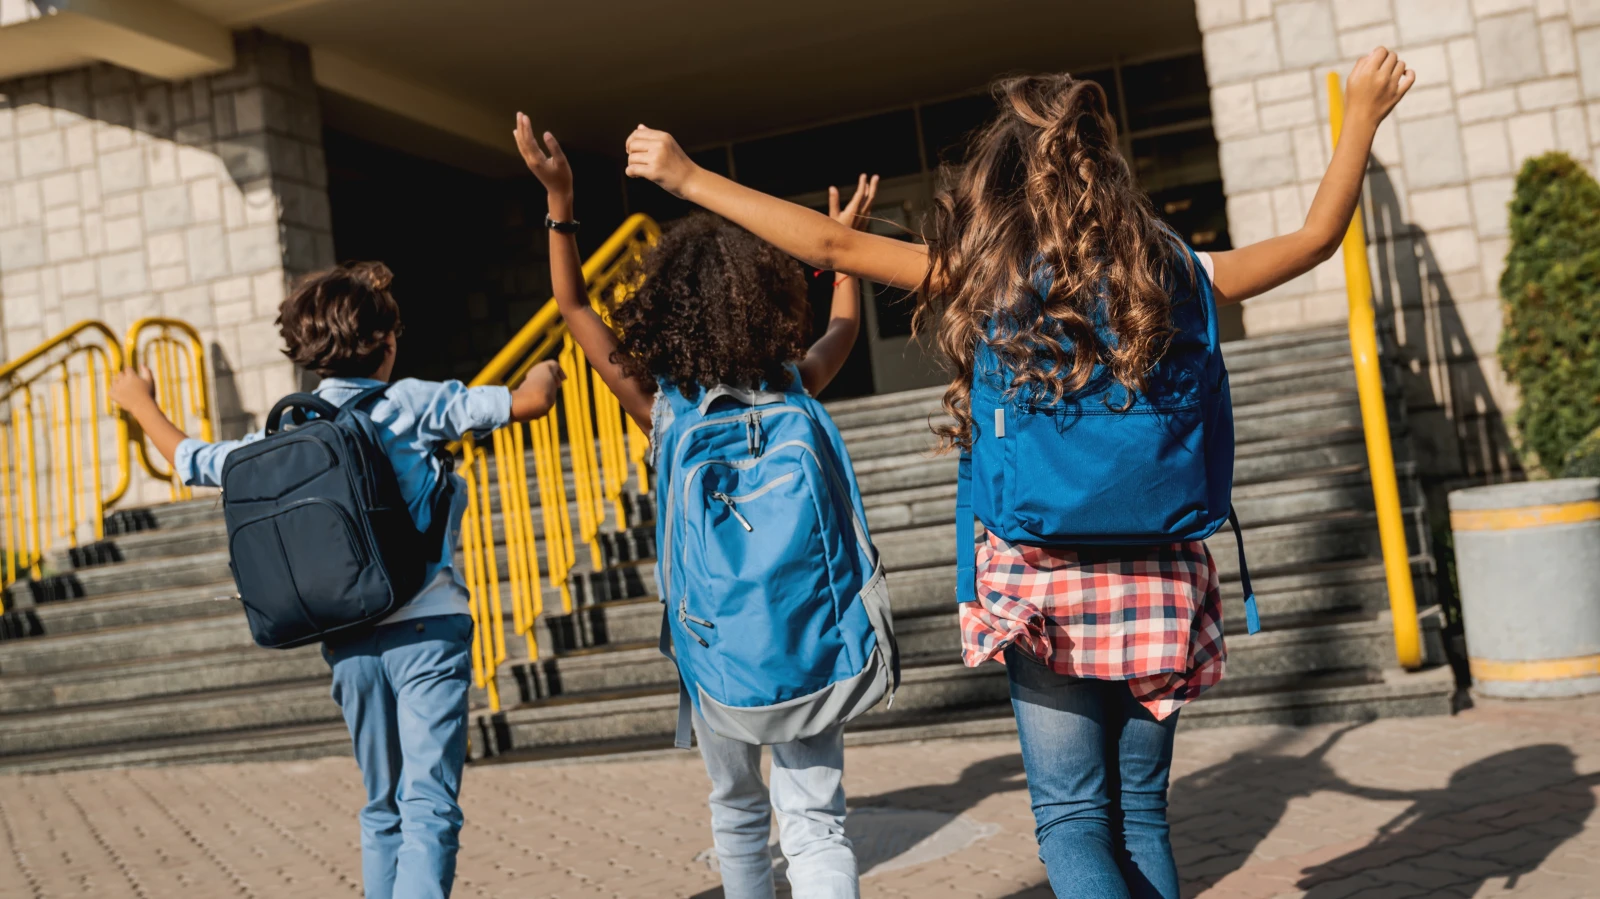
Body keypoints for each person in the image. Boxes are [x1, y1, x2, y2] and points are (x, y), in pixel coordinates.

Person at [620, 47, 1415, 899]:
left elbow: (826, 240)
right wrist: (1360, 116)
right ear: (1104, 168)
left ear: (1004, 182)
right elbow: (1313, 240)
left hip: (1042, 582)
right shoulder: (1175, 268)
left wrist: (689, 175)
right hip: (1164, 573)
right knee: (1141, 813)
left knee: (1072, 818)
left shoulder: (989, 275)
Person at [109, 262, 565, 899]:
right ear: (389, 342)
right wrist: (549, 367)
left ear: (307, 353)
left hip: (348, 640)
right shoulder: (411, 403)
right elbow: (532, 401)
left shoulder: (292, 431)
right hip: (428, 631)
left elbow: (196, 462)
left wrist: (140, 404)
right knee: (428, 805)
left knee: (382, 807)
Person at [512, 112, 879, 899]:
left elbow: (573, 306)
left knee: (739, 808)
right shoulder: (796, 384)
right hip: (808, 634)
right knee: (818, 823)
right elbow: (845, 325)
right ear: (764, 301)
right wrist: (841, 251)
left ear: (666, 309)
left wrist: (560, 201)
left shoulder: (665, 408)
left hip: (713, 647)